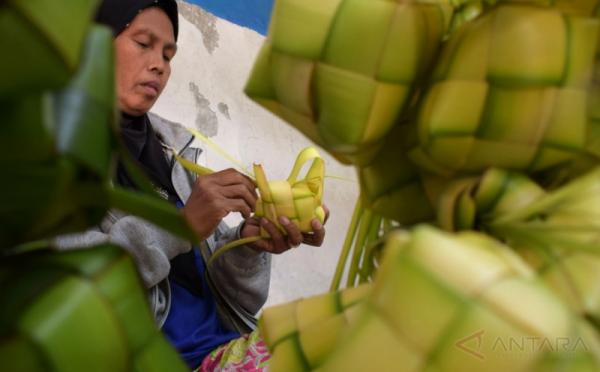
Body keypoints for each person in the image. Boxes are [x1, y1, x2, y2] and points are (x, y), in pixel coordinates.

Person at [57, 0, 328, 370]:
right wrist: (179, 227)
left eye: (168, 55)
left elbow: (238, 304)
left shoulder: (172, 151)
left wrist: (248, 246)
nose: (159, 65)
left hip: (222, 351)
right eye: (143, 43)